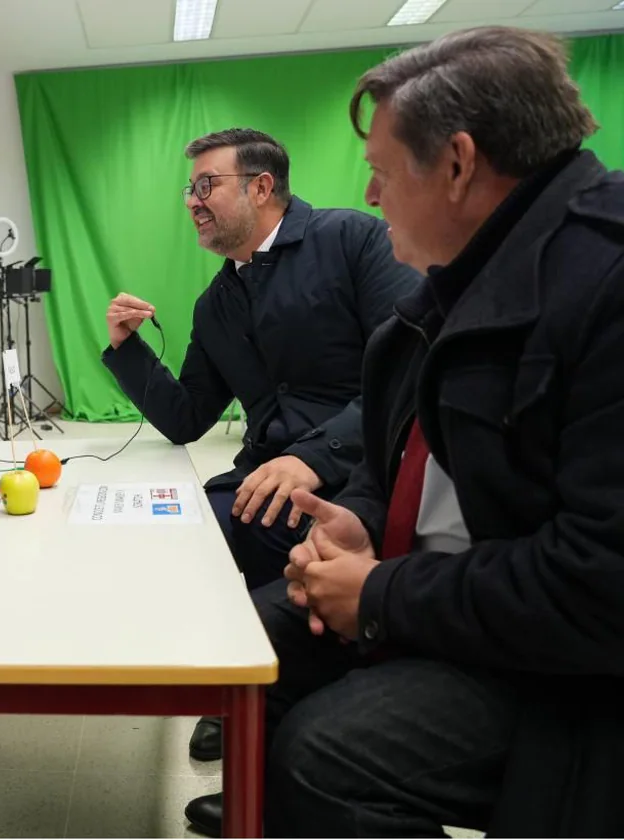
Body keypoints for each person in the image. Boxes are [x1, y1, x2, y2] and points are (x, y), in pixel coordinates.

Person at [184, 26, 624, 836]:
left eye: (383, 172)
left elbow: (600, 584)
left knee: (325, 758)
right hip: (443, 585)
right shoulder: (447, 291)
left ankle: (295, 795)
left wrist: (382, 592)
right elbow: (402, 453)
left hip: (561, 656)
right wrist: (357, 516)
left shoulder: (603, 282)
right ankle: (266, 805)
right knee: (245, 644)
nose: (372, 194)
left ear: (457, 165)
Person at [103, 128, 420, 761]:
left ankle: (277, 697)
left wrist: (312, 456)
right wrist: (125, 348)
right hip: (261, 480)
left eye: (205, 185)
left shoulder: (351, 241)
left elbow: (407, 373)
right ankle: (240, 687)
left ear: (262, 186)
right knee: (185, 531)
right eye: (188, 189)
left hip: (356, 480)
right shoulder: (216, 302)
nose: (192, 200)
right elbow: (188, 415)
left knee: (261, 544)